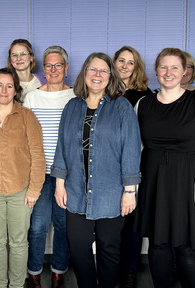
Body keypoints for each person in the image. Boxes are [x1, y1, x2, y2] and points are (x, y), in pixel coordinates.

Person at [134, 48, 195, 288]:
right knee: (158, 244)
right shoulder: (143, 104)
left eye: (175, 67)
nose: (168, 72)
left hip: (188, 184)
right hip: (154, 184)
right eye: (163, 67)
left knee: (187, 248)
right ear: (156, 71)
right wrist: (131, 189)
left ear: (185, 71)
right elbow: (134, 150)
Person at [51, 52, 141, 288]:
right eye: (93, 69)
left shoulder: (121, 107)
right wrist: (59, 184)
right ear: (84, 73)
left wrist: (129, 191)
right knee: (78, 247)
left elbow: (131, 149)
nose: (97, 75)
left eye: (103, 70)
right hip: (75, 190)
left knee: (109, 248)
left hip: (110, 191)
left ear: (110, 76)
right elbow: (62, 146)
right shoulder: (72, 106)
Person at [0, 67, 46, 288]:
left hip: (21, 191)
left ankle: (16, 285)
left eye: (9, 86)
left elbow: (37, 154)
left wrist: (34, 189)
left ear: (16, 90)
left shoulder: (26, 116)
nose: (4, 90)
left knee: (18, 242)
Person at [23, 45, 74, 288]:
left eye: (58, 65)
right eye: (49, 65)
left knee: (63, 226)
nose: (53, 70)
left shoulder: (76, 96)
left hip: (68, 174)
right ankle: (33, 274)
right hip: (40, 173)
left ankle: (58, 273)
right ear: (43, 68)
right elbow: (25, 137)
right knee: (39, 226)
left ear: (66, 67)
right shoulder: (32, 97)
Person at [112, 45, 151, 288]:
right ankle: (111, 266)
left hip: (134, 166)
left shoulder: (145, 97)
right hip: (107, 167)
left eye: (131, 62)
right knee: (111, 223)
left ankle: (129, 271)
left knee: (132, 223)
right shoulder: (104, 92)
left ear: (136, 68)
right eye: (121, 61)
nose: (125, 66)